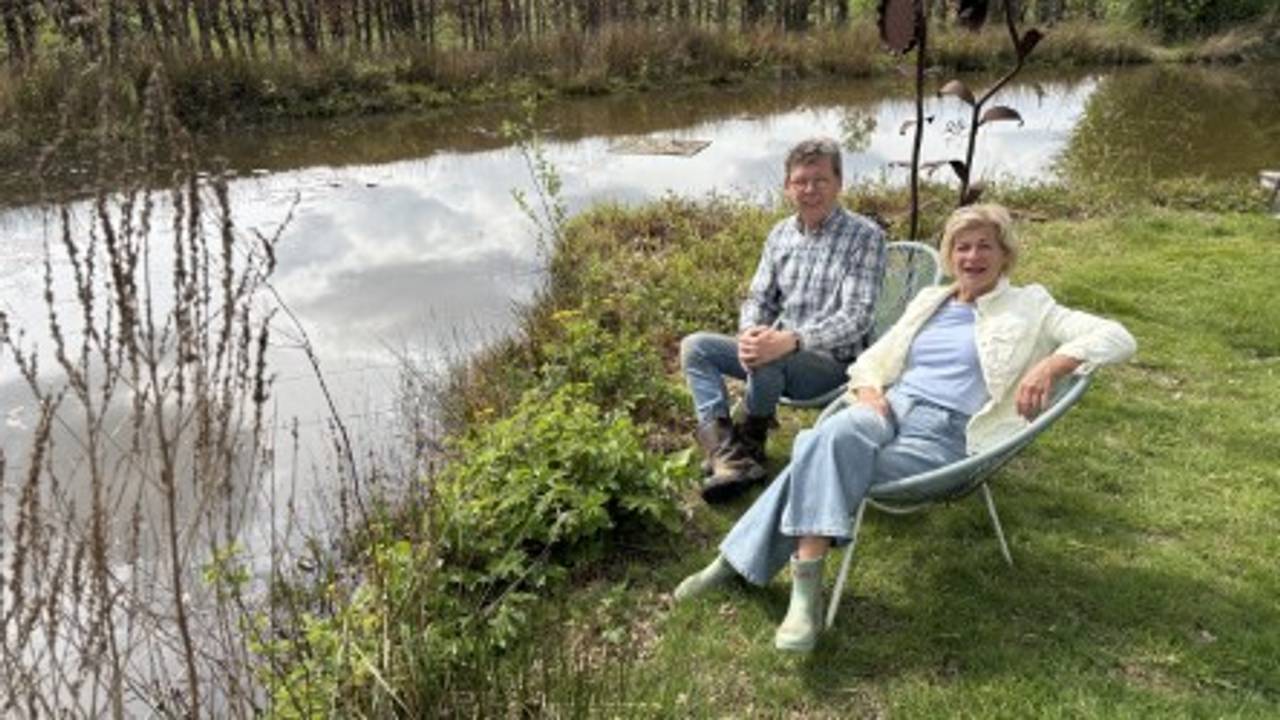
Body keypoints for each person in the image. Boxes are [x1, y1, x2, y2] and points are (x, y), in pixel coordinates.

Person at [672, 203, 1137, 653]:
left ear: (1004, 255)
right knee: (834, 439)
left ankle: (749, 568)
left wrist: (1051, 365)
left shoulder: (1030, 305)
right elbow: (874, 358)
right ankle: (800, 597)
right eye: (962, 248)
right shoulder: (930, 300)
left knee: (817, 447)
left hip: (945, 433)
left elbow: (1117, 337)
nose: (972, 258)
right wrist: (872, 391)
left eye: (984, 248)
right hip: (888, 408)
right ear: (950, 254)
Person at [680, 137, 887, 503]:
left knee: (770, 355)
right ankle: (728, 452)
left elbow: (857, 317)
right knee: (696, 347)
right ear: (788, 186)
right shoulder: (780, 234)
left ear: (839, 183)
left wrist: (792, 340)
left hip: (833, 364)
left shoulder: (865, 236)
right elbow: (760, 298)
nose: (811, 190)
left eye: (820, 180)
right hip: (778, 355)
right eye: (801, 181)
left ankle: (750, 442)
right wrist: (750, 334)